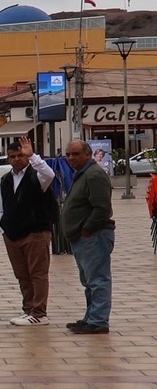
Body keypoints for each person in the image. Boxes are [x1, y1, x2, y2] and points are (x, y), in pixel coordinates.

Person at [0, 137, 57, 326]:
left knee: (38, 274)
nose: (17, 159)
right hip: (12, 234)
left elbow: (49, 175)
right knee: (22, 275)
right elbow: (2, 206)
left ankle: (40, 313)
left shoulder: (36, 175)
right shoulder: (6, 179)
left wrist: (33, 156)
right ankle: (29, 309)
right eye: (13, 156)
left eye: (20, 156)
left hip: (35, 233)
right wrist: (3, 228)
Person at [60, 139, 115, 335]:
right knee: (89, 281)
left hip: (94, 236)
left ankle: (99, 321)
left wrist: (88, 228)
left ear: (88, 154)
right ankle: (91, 317)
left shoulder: (93, 175)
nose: (71, 158)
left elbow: (102, 207)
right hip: (82, 237)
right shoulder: (81, 174)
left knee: (98, 279)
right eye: (68, 154)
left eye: (75, 154)